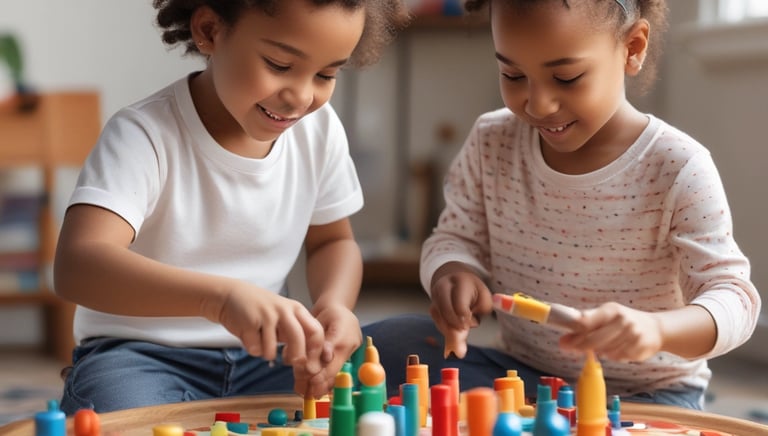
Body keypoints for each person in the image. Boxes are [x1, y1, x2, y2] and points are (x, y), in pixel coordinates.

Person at [363, 0, 761, 410]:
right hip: (522, 377)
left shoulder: (678, 166)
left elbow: (734, 299)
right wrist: (453, 272)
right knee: (393, 343)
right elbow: (454, 237)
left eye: (566, 78)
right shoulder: (491, 141)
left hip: (649, 396)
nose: (538, 105)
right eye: (513, 74)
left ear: (633, 47)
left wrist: (658, 330)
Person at [53, 0, 409, 414]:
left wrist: (334, 305)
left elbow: (333, 241)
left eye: (327, 74)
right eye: (279, 64)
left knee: (411, 346)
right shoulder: (144, 135)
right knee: (116, 408)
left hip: (270, 359)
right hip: (142, 356)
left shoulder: (320, 130)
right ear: (209, 30)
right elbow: (77, 265)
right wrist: (218, 300)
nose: (302, 96)